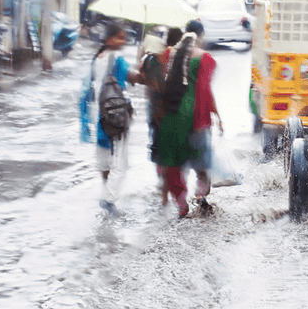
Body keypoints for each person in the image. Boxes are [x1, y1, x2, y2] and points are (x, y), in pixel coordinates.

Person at [157, 20, 223, 217]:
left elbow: (159, 85)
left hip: (171, 115)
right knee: (201, 161)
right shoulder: (205, 58)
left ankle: (181, 205)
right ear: (200, 36)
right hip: (195, 116)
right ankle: (200, 198)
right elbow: (204, 91)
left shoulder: (169, 54)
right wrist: (217, 116)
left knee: (175, 163)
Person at [79, 23, 142, 217]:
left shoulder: (96, 58)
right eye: (119, 37)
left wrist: (84, 122)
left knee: (104, 161)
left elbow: (86, 90)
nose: (122, 41)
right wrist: (141, 59)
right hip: (115, 116)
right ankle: (108, 200)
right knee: (120, 162)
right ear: (109, 39)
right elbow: (134, 78)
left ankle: (107, 194)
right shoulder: (118, 60)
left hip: (98, 115)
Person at [139, 27, 182, 205]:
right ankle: (168, 192)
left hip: (154, 109)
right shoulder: (177, 59)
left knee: (158, 147)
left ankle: (163, 185)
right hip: (167, 111)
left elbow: (142, 78)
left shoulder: (152, 59)